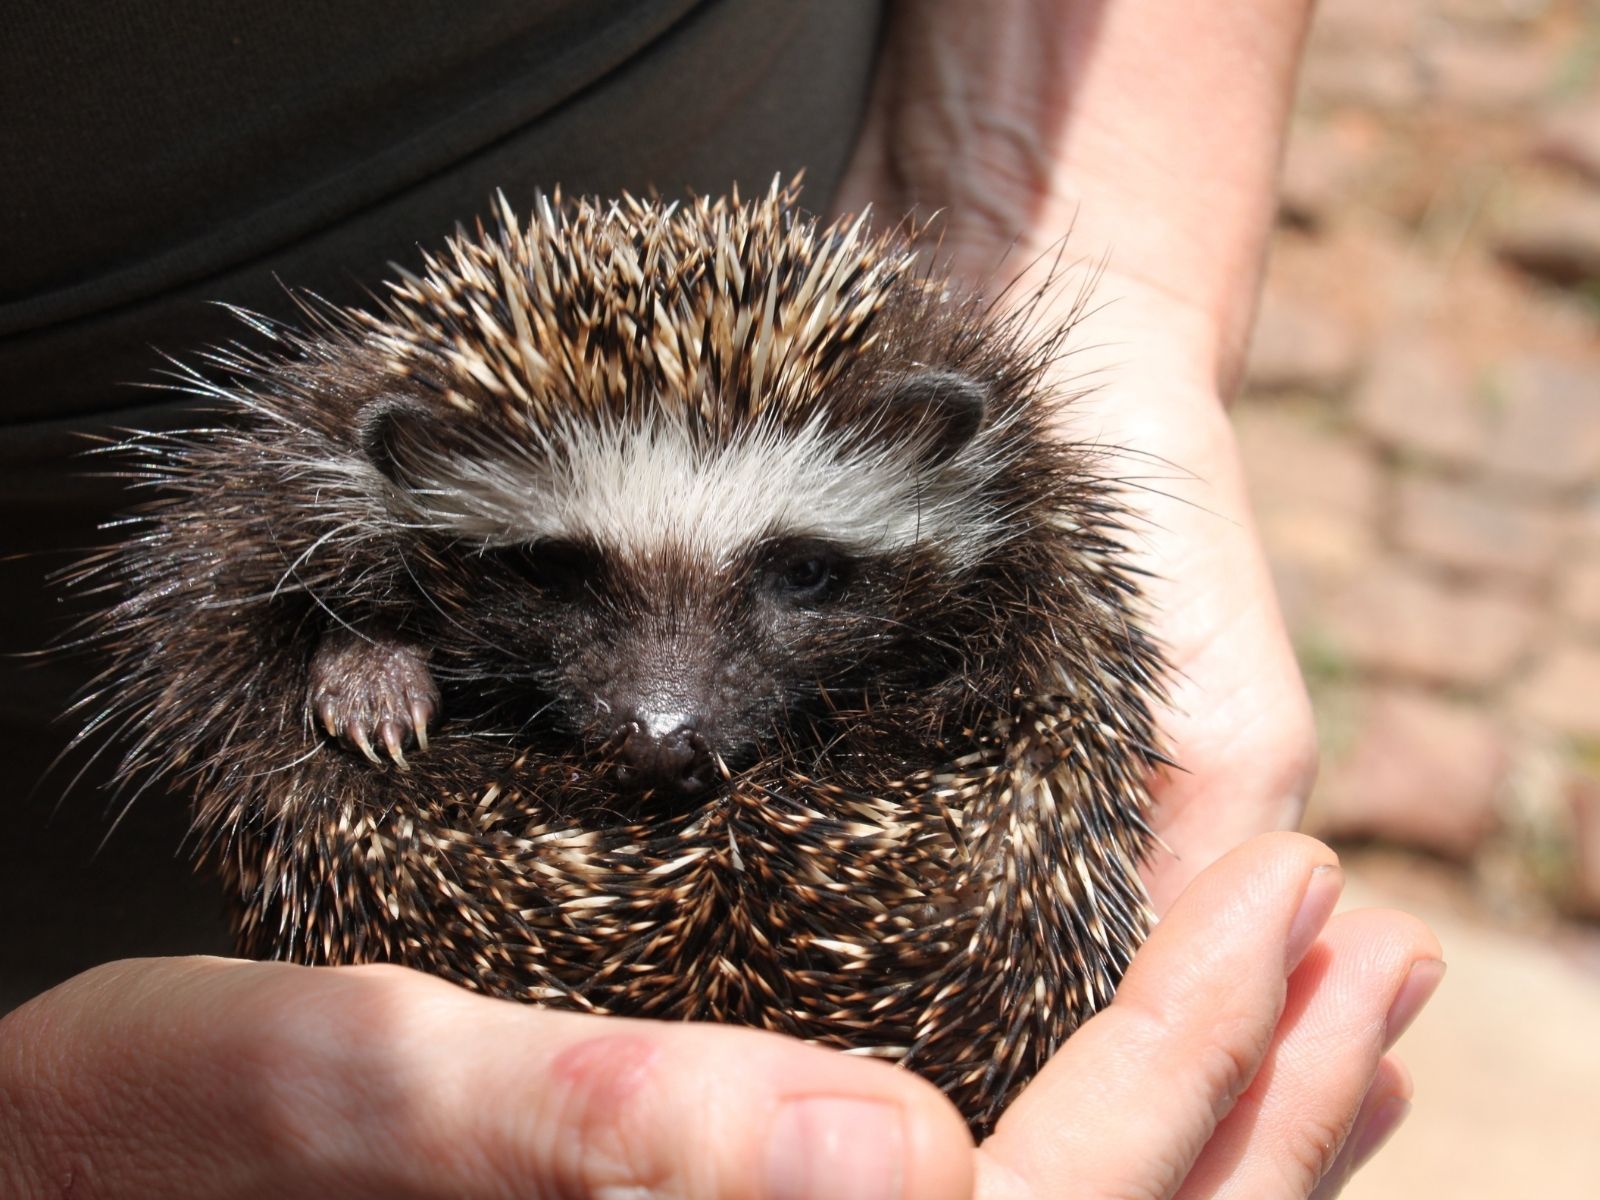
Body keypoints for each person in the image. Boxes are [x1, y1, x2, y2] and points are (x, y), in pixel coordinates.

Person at [0, 2, 1442, 1196]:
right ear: (409, 492)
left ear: (939, 485)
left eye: (800, 579)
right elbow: (247, 657)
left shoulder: (998, 533)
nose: (666, 707)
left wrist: (1124, 287)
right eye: (559, 579)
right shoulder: (316, 536)